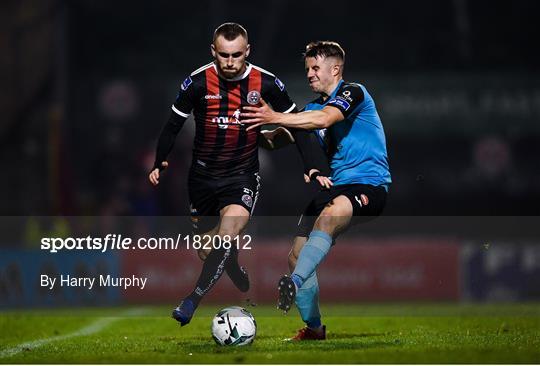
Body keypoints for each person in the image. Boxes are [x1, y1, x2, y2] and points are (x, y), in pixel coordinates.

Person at [148, 23, 323, 327]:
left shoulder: (266, 83)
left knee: (226, 234)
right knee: (207, 250)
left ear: (248, 52)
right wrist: (159, 161)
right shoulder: (197, 82)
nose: (230, 62)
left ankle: (192, 300)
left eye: (237, 55)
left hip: (241, 176)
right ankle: (231, 262)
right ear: (213, 51)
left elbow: (297, 125)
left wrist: (310, 165)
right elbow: (172, 125)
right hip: (201, 179)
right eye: (224, 55)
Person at [242, 41, 391, 340]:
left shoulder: (354, 93)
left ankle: (294, 283)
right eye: (307, 69)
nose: (309, 75)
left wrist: (277, 116)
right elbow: (274, 140)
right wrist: (241, 128)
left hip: (368, 185)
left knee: (331, 214)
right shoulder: (309, 110)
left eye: (315, 68)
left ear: (335, 69)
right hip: (333, 188)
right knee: (296, 256)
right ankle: (314, 328)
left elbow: (325, 119)